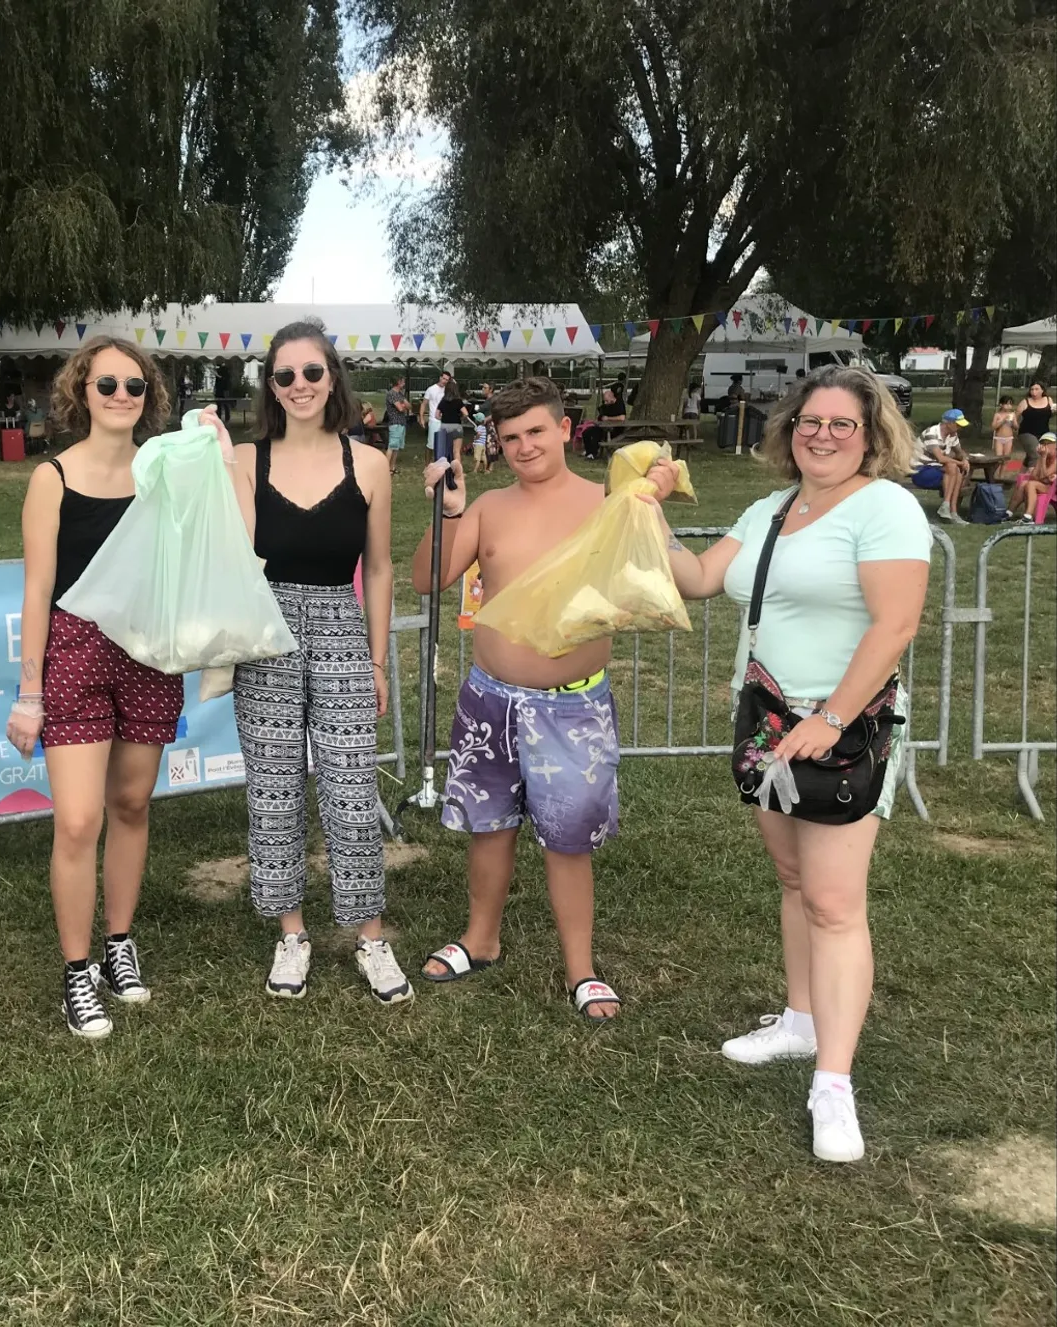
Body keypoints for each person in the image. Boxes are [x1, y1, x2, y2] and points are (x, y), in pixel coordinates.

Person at [648, 365, 930, 1162]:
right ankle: (801, 1021)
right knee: (796, 884)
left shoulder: (885, 509)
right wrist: (655, 516)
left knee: (837, 903)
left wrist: (830, 716)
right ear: (789, 429)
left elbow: (896, 622)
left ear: (872, 437)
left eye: (843, 425)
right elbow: (702, 579)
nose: (824, 435)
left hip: (845, 725)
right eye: (812, 421)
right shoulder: (772, 508)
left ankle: (834, 1084)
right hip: (769, 718)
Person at [413, 377, 678, 1022]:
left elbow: (663, 575)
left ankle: (581, 968)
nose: (524, 446)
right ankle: (482, 937)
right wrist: (448, 513)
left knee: (568, 840)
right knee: (488, 826)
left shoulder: (611, 504)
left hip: (573, 706)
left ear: (564, 428)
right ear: (496, 445)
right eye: (510, 438)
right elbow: (427, 579)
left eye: (535, 431)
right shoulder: (490, 510)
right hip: (489, 701)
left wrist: (652, 506)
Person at [218, 319, 411, 1006]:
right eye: (285, 375)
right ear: (270, 386)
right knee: (273, 791)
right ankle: (291, 933)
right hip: (264, 626)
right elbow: (236, 552)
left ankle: (370, 936)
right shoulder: (245, 459)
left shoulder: (370, 464)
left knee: (353, 789)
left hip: (340, 623)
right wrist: (213, 462)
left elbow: (381, 567)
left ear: (333, 377)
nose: (299, 385)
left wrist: (378, 659)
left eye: (312, 372)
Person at [5, 337, 184, 1039]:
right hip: (75, 650)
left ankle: (118, 945)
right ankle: (77, 972)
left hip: (148, 650)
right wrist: (29, 691)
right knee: (79, 819)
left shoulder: (163, 471)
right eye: (106, 383)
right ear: (81, 391)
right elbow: (38, 587)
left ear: (149, 397)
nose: (120, 395)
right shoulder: (52, 476)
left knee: (132, 802)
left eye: (133, 386)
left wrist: (218, 450)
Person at [919, 408, 971, 524]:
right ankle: (946, 507)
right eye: (958, 425)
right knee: (953, 466)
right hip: (921, 470)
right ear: (949, 423)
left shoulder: (952, 435)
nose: (960, 428)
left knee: (957, 470)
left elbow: (959, 451)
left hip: (937, 469)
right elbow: (941, 458)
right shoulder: (931, 433)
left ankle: (952, 511)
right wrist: (960, 462)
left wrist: (964, 458)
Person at [1008, 432, 1056, 522]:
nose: (1045, 445)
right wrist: (1042, 459)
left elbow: (1043, 475)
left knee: (1031, 485)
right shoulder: (1042, 457)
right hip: (1044, 485)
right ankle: (1009, 513)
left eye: (1048, 443)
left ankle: (1028, 516)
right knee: (1024, 484)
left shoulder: (1055, 460)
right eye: (1043, 443)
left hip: (1053, 488)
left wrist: (1043, 458)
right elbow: (1034, 476)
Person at [1015, 381, 1053, 468]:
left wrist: (1054, 411)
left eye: (1036, 389)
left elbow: (1050, 415)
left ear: (1042, 390)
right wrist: (1015, 426)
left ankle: (1022, 478)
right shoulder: (1025, 402)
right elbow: (1014, 416)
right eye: (1032, 389)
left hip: (1044, 433)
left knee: (1033, 456)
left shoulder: (1048, 400)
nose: (1033, 392)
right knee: (1036, 455)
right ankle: (1033, 479)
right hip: (1026, 432)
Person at [582, 387, 626, 461]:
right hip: (603, 427)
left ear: (611, 398)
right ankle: (588, 451)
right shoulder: (605, 406)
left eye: (606, 400)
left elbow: (622, 418)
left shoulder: (619, 404)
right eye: (604, 400)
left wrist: (608, 418)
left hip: (615, 429)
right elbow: (601, 416)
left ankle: (593, 454)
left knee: (596, 433)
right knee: (586, 433)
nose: (605, 402)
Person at [435, 378, 469, 462]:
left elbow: (436, 415)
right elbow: (466, 413)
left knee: (444, 451)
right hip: (456, 426)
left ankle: (445, 469)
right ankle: (458, 472)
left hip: (444, 426)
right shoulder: (458, 401)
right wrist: (461, 418)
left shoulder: (443, 401)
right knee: (456, 451)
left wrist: (443, 418)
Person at [419, 370, 451, 453]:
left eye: (447, 380)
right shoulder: (431, 389)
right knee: (431, 445)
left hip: (445, 420)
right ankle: (427, 464)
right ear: (440, 377)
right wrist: (421, 417)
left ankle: (441, 463)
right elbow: (424, 404)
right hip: (434, 420)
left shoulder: (448, 390)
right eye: (444, 378)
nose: (445, 381)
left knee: (443, 444)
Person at [991, 394, 1018, 460]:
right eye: (1007, 404)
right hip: (999, 438)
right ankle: (997, 470)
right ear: (1001, 405)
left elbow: (1016, 427)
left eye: (1010, 404)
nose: (1009, 406)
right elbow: (993, 427)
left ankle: (1002, 470)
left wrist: (1012, 423)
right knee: (998, 458)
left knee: (1006, 458)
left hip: (1009, 438)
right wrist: (1003, 420)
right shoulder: (997, 415)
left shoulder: (1012, 415)